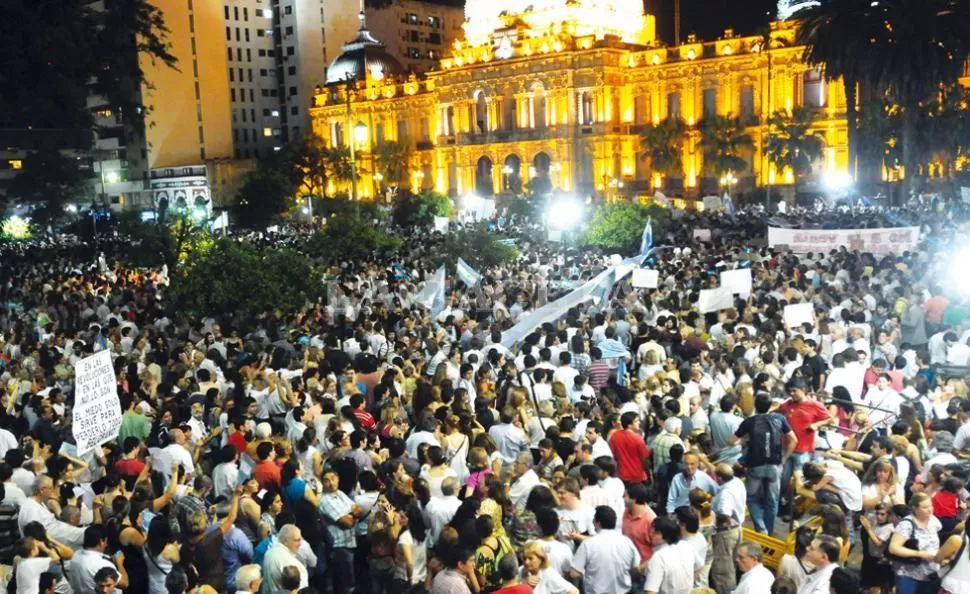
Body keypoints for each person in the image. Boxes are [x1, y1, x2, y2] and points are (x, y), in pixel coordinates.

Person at [731, 391, 796, 534]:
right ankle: (769, 533)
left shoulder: (750, 421)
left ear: (755, 405)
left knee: (752, 498)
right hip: (775, 466)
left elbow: (732, 441)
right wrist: (784, 459)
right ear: (770, 405)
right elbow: (793, 440)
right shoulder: (779, 419)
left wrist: (746, 442)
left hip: (755, 466)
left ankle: (761, 528)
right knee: (772, 502)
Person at [568, 506, 640, 594]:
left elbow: (574, 573)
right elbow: (636, 569)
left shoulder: (588, 544)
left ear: (598, 523)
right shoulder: (627, 542)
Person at [889, 492, 942, 594]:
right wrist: (919, 554)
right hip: (909, 574)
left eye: (931, 505)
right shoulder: (906, 524)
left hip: (930, 572)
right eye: (925, 507)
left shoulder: (934, 521)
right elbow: (893, 548)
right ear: (915, 508)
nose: (930, 509)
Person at [643, 515, 693, 594]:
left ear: (665, 536)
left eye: (655, 532)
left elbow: (650, 591)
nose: (650, 534)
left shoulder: (659, 557)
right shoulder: (687, 546)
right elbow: (700, 567)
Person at [262, 525, 309, 593]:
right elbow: (301, 590)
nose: (300, 543)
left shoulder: (269, 552)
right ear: (286, 541)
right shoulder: (289, 563)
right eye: (297, 540)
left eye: (300, 539)